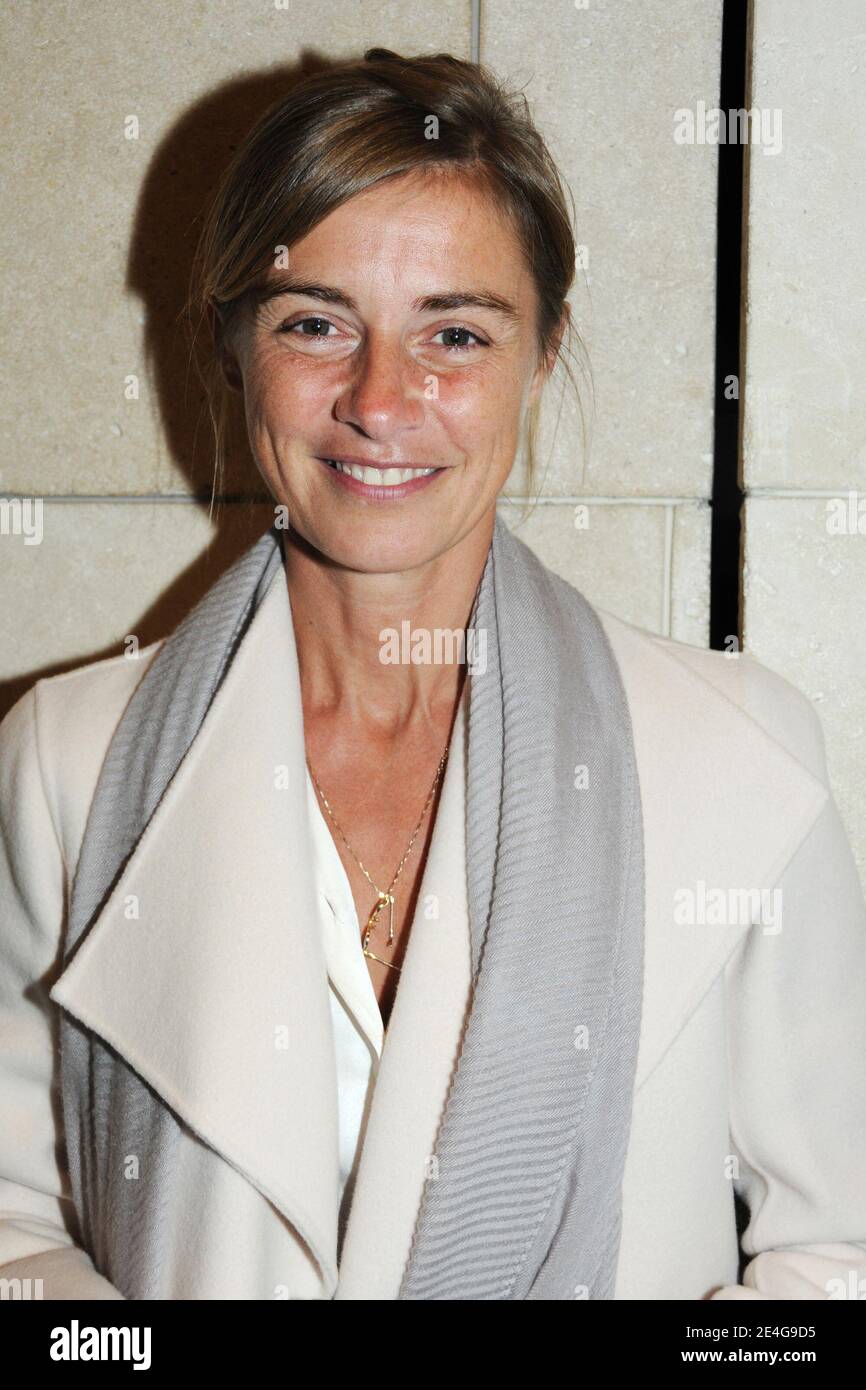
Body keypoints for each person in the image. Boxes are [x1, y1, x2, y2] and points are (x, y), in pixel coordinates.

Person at [1, 48, 865, 1302]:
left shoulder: (738, 759)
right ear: (235, 345)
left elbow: (836, 1256)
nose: (380, 399)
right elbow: (14, 1231)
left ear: (543, 350)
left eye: (452, 332)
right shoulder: (63, 761)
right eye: (316, 324)